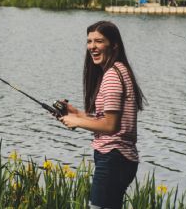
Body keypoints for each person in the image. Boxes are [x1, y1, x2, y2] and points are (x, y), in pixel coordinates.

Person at [58, 21, 145, 209]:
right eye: (89, 41)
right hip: (121, 159)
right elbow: (108, 120)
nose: (92, 47)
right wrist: (78, 114)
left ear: (114, 45)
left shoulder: (112, 76)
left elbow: (110, 126)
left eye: (99, 41)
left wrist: (77, 122)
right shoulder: (120, 69)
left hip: (113, 158)